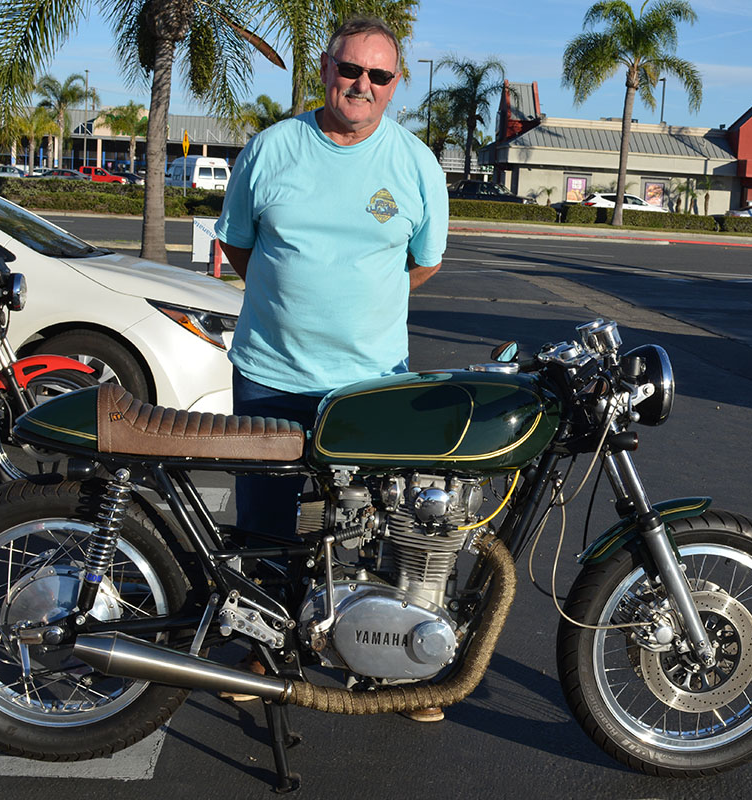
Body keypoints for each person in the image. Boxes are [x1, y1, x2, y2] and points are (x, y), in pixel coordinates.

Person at [214, 15, 449, 722]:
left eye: (379, 75)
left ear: (395, 84)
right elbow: (242, 250)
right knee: (266, 520)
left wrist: (356, 304)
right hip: (270, 372)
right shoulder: (273, 149)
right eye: (351, 70)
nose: (363, 85)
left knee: (383, 523)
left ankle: (394, 666)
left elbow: (424, 261)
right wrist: (301, 299)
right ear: (325, 70)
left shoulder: (414, 164)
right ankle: (263, 652)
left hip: (372, 381)